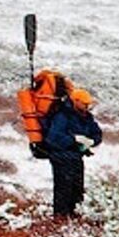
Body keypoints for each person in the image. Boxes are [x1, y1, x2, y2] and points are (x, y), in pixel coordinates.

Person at [41, 86, 102, 218]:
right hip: (60, 156)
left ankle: (73, 217)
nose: (88, 107)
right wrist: (74, 139)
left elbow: (97, 133)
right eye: (85, 104)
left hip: (75, 156)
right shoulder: (61, 116)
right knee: (63, 190)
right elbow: (53, 139)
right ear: (76, 101)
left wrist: (92, 141)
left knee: (77, 189)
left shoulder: (86, 117)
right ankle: (60, 219)